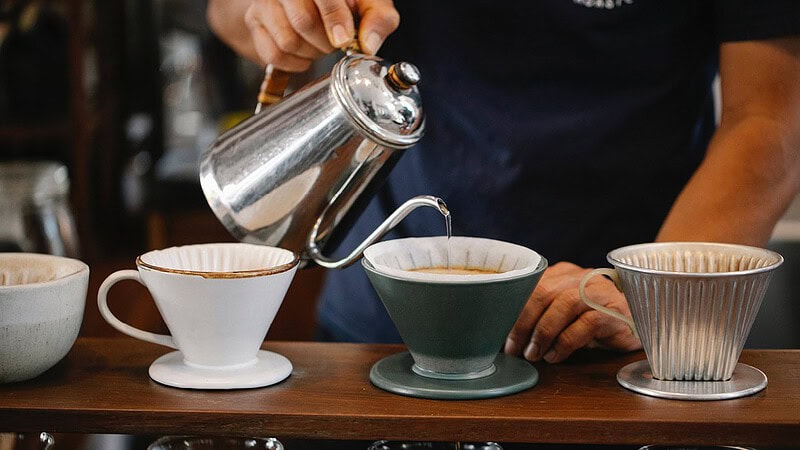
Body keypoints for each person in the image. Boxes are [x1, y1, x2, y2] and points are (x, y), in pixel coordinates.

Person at [206, 0, 800, 363]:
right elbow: (230, 15)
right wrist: (279, 13)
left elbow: (767, 118)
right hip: (384, 322)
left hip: (616, 324)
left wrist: (653, 294)